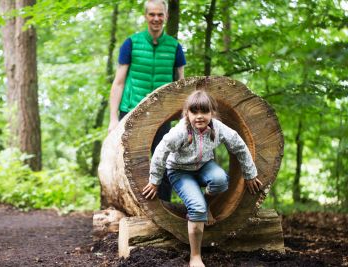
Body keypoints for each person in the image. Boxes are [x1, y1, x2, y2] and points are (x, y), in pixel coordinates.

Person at [142, 90, 262, 267]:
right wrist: (154, 181)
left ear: (212, 113)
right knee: (196, 208)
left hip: (204, 166)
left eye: (204, 112)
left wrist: (250, 174)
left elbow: (240, 146)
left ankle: (206, 205)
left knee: (221, 180)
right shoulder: (180, 131)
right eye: (194, 112)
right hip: (180, 171)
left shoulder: (218, 128)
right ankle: (195, 256)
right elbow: (160, 152)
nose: (199, 116)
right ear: (187, 113)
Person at [108, 0, 186, 201]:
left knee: (165, 161)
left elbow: (181, 85)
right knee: (132, 164)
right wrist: (112, 119)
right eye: (152, 14)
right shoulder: (131, 43)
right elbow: (118, 83)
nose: (156, 19)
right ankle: (133, 208)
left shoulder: (175, 47)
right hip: (131, 111)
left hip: (162, 114)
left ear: (166, 17)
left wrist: (183, 118)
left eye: (160, 15)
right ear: (146, 16)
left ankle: (164, 210)